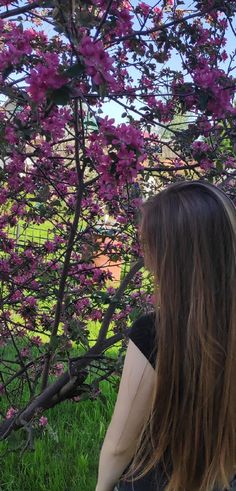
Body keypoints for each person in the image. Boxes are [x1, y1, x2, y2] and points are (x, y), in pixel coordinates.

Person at [95, 180, 236, 491]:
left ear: (175, 257)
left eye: (150, 247)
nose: (146, 261)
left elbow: (120, 445)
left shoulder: (155, 333)